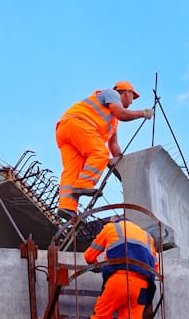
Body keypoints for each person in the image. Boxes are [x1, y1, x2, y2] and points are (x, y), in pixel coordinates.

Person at [54, 82, 154, 220]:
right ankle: (85, 184)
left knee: (73, 170)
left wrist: (123, 173)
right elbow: (122, 114)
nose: (132, 102)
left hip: (65, 130)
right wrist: (143, 113)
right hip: (78, 123)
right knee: (100, 153)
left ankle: (66, 207)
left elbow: (115, 147)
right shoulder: (111, 94)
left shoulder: (113, 121)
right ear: (126, 92)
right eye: (133, 97)